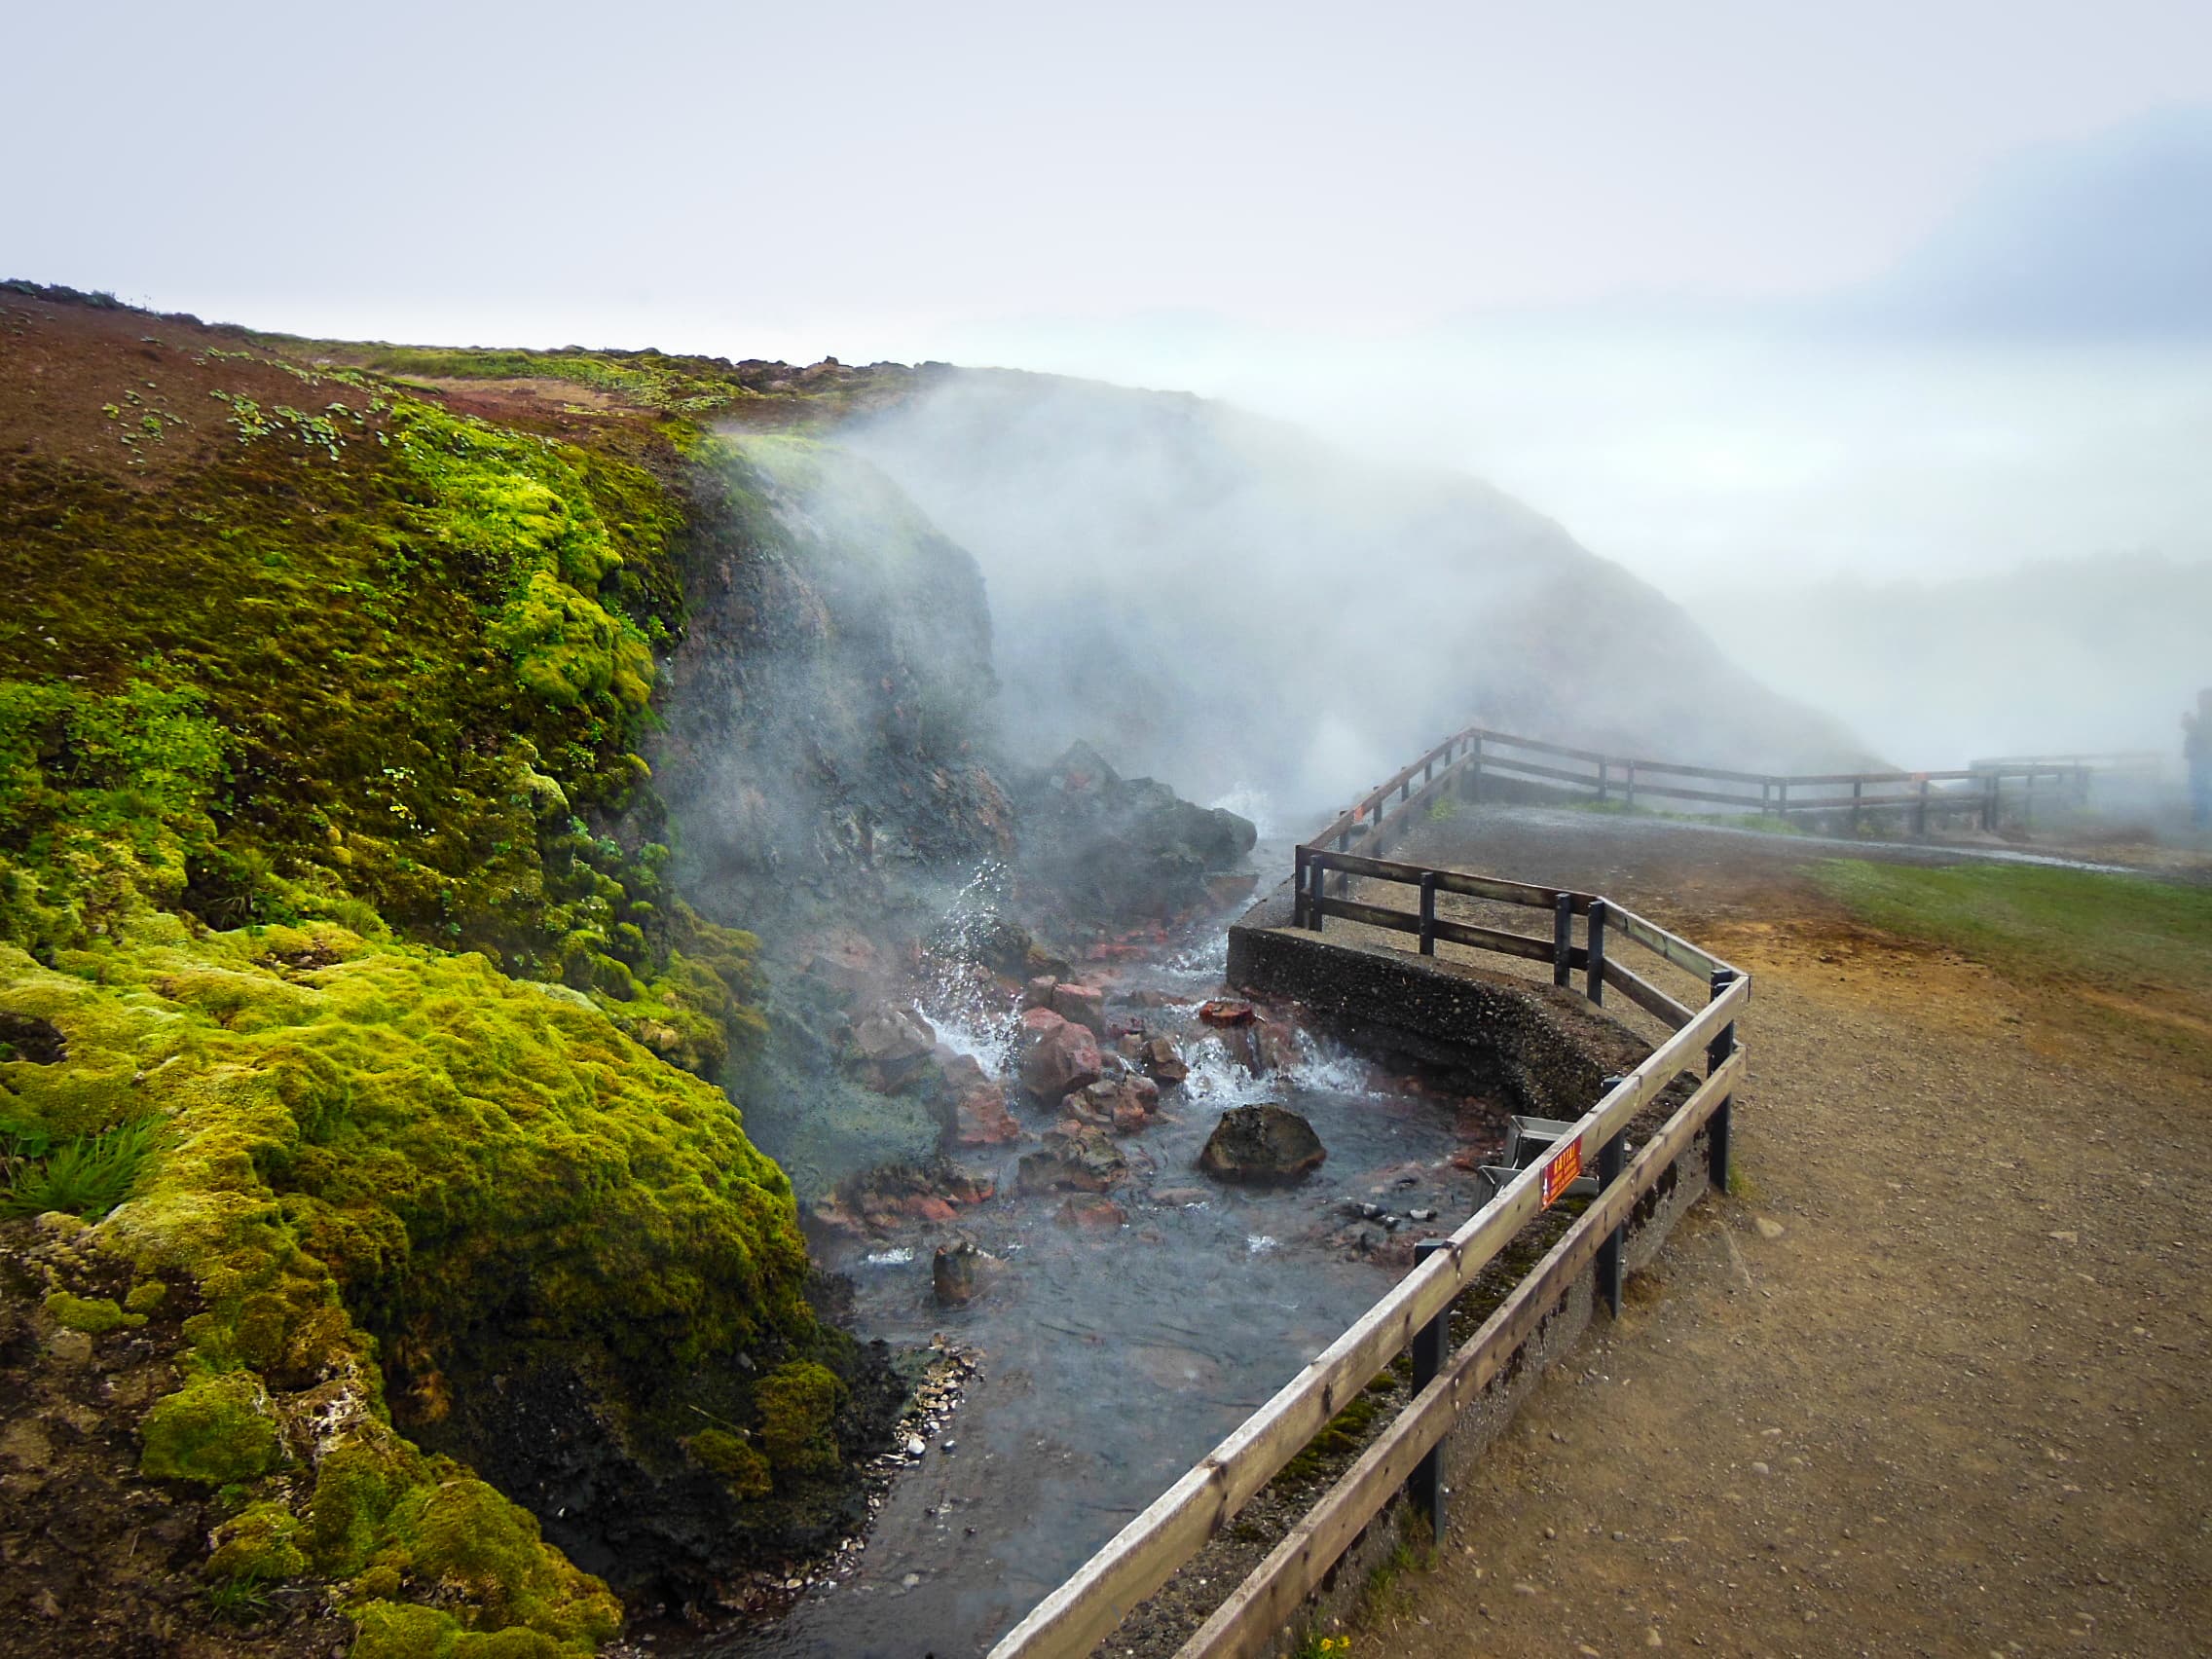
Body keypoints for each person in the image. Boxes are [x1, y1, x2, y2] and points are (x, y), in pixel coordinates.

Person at [2187, 688, 2212, 830]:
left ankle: (2205, 824)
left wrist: (2191, 727)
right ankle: (2202, 822)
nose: (2199, 702)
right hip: (2199, 758)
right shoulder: (2204, 715)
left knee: (2202, 790)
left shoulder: (2209, 715)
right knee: (2199, 790)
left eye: (2202, 699)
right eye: (2199, 699)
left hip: (2204, 759)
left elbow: (2206, 737)